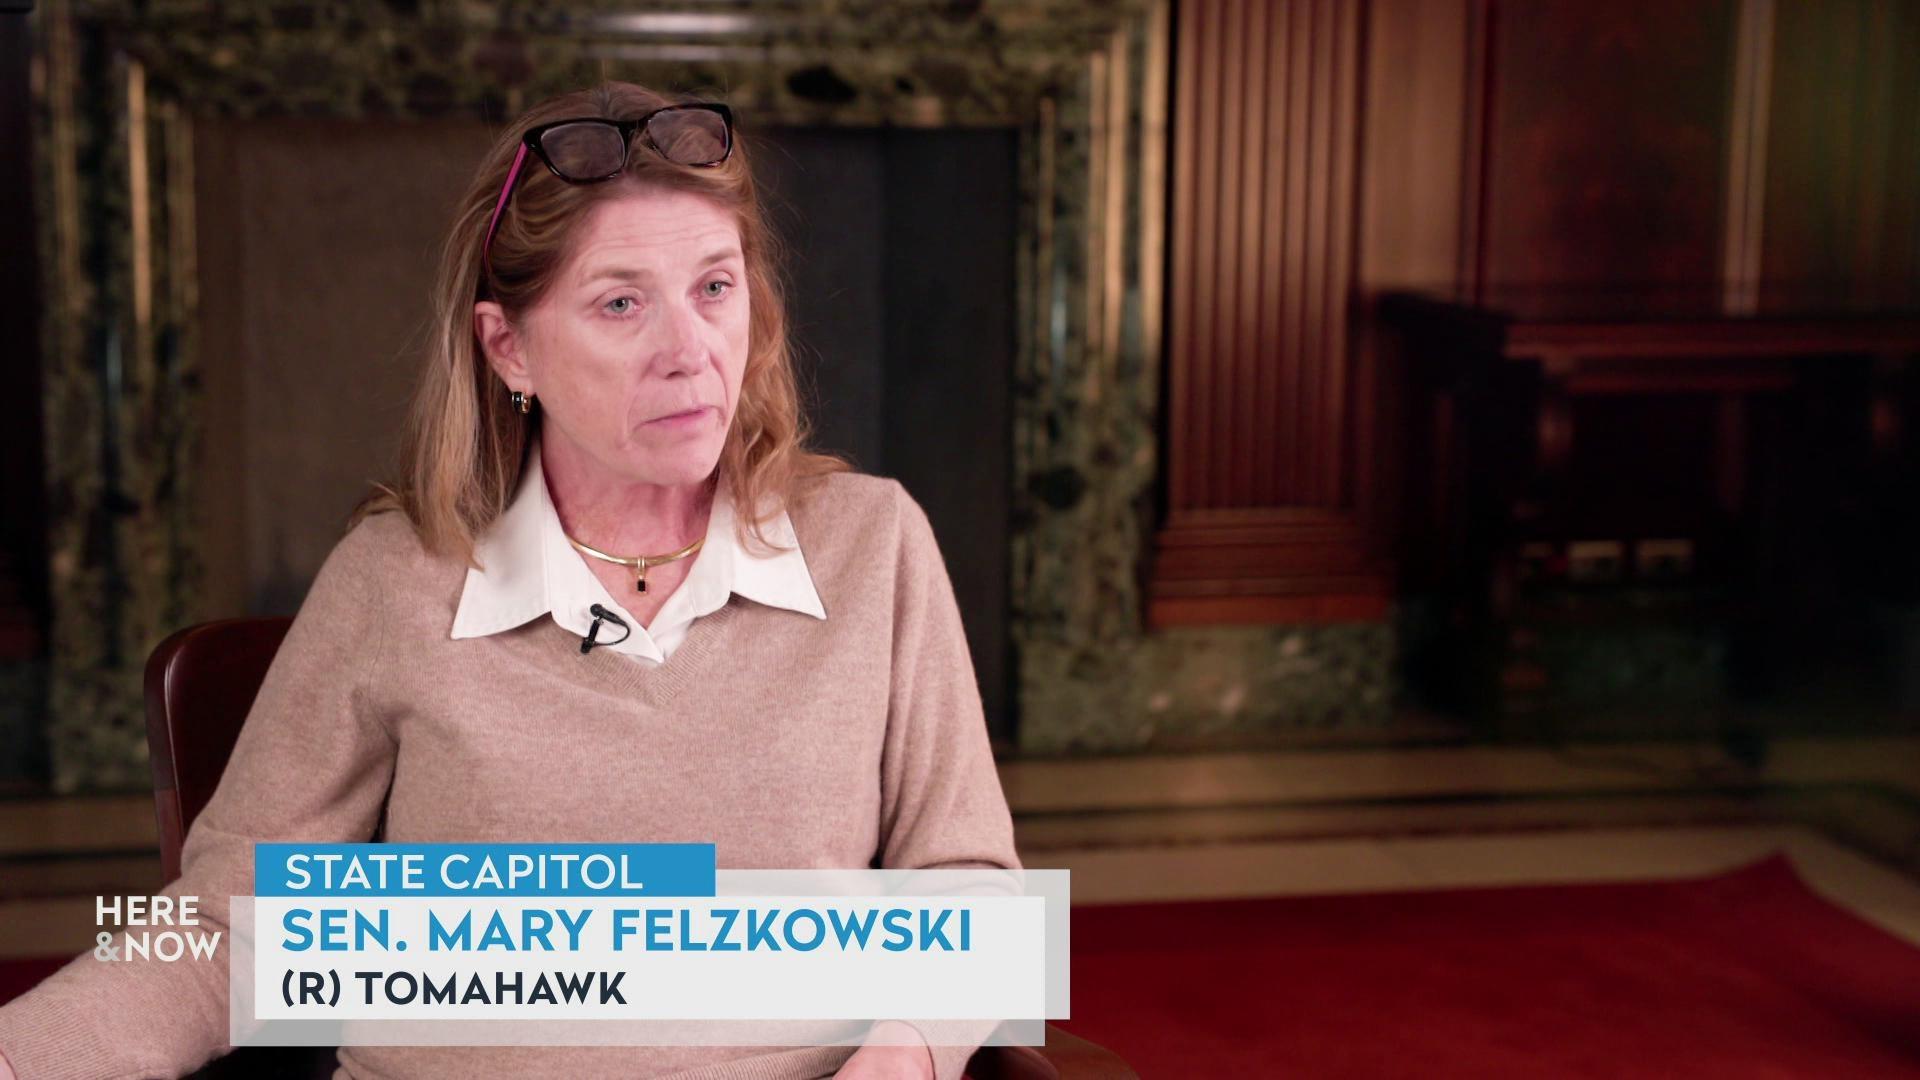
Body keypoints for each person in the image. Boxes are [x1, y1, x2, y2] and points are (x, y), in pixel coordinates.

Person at [0, 81, 1020, 1080]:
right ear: (507, 347)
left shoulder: (872, 543)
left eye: (715, 286)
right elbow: (231, 926)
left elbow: (972, 889)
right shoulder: (396, 577)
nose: (692, 351)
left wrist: (906, 1054)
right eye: (621, 302)